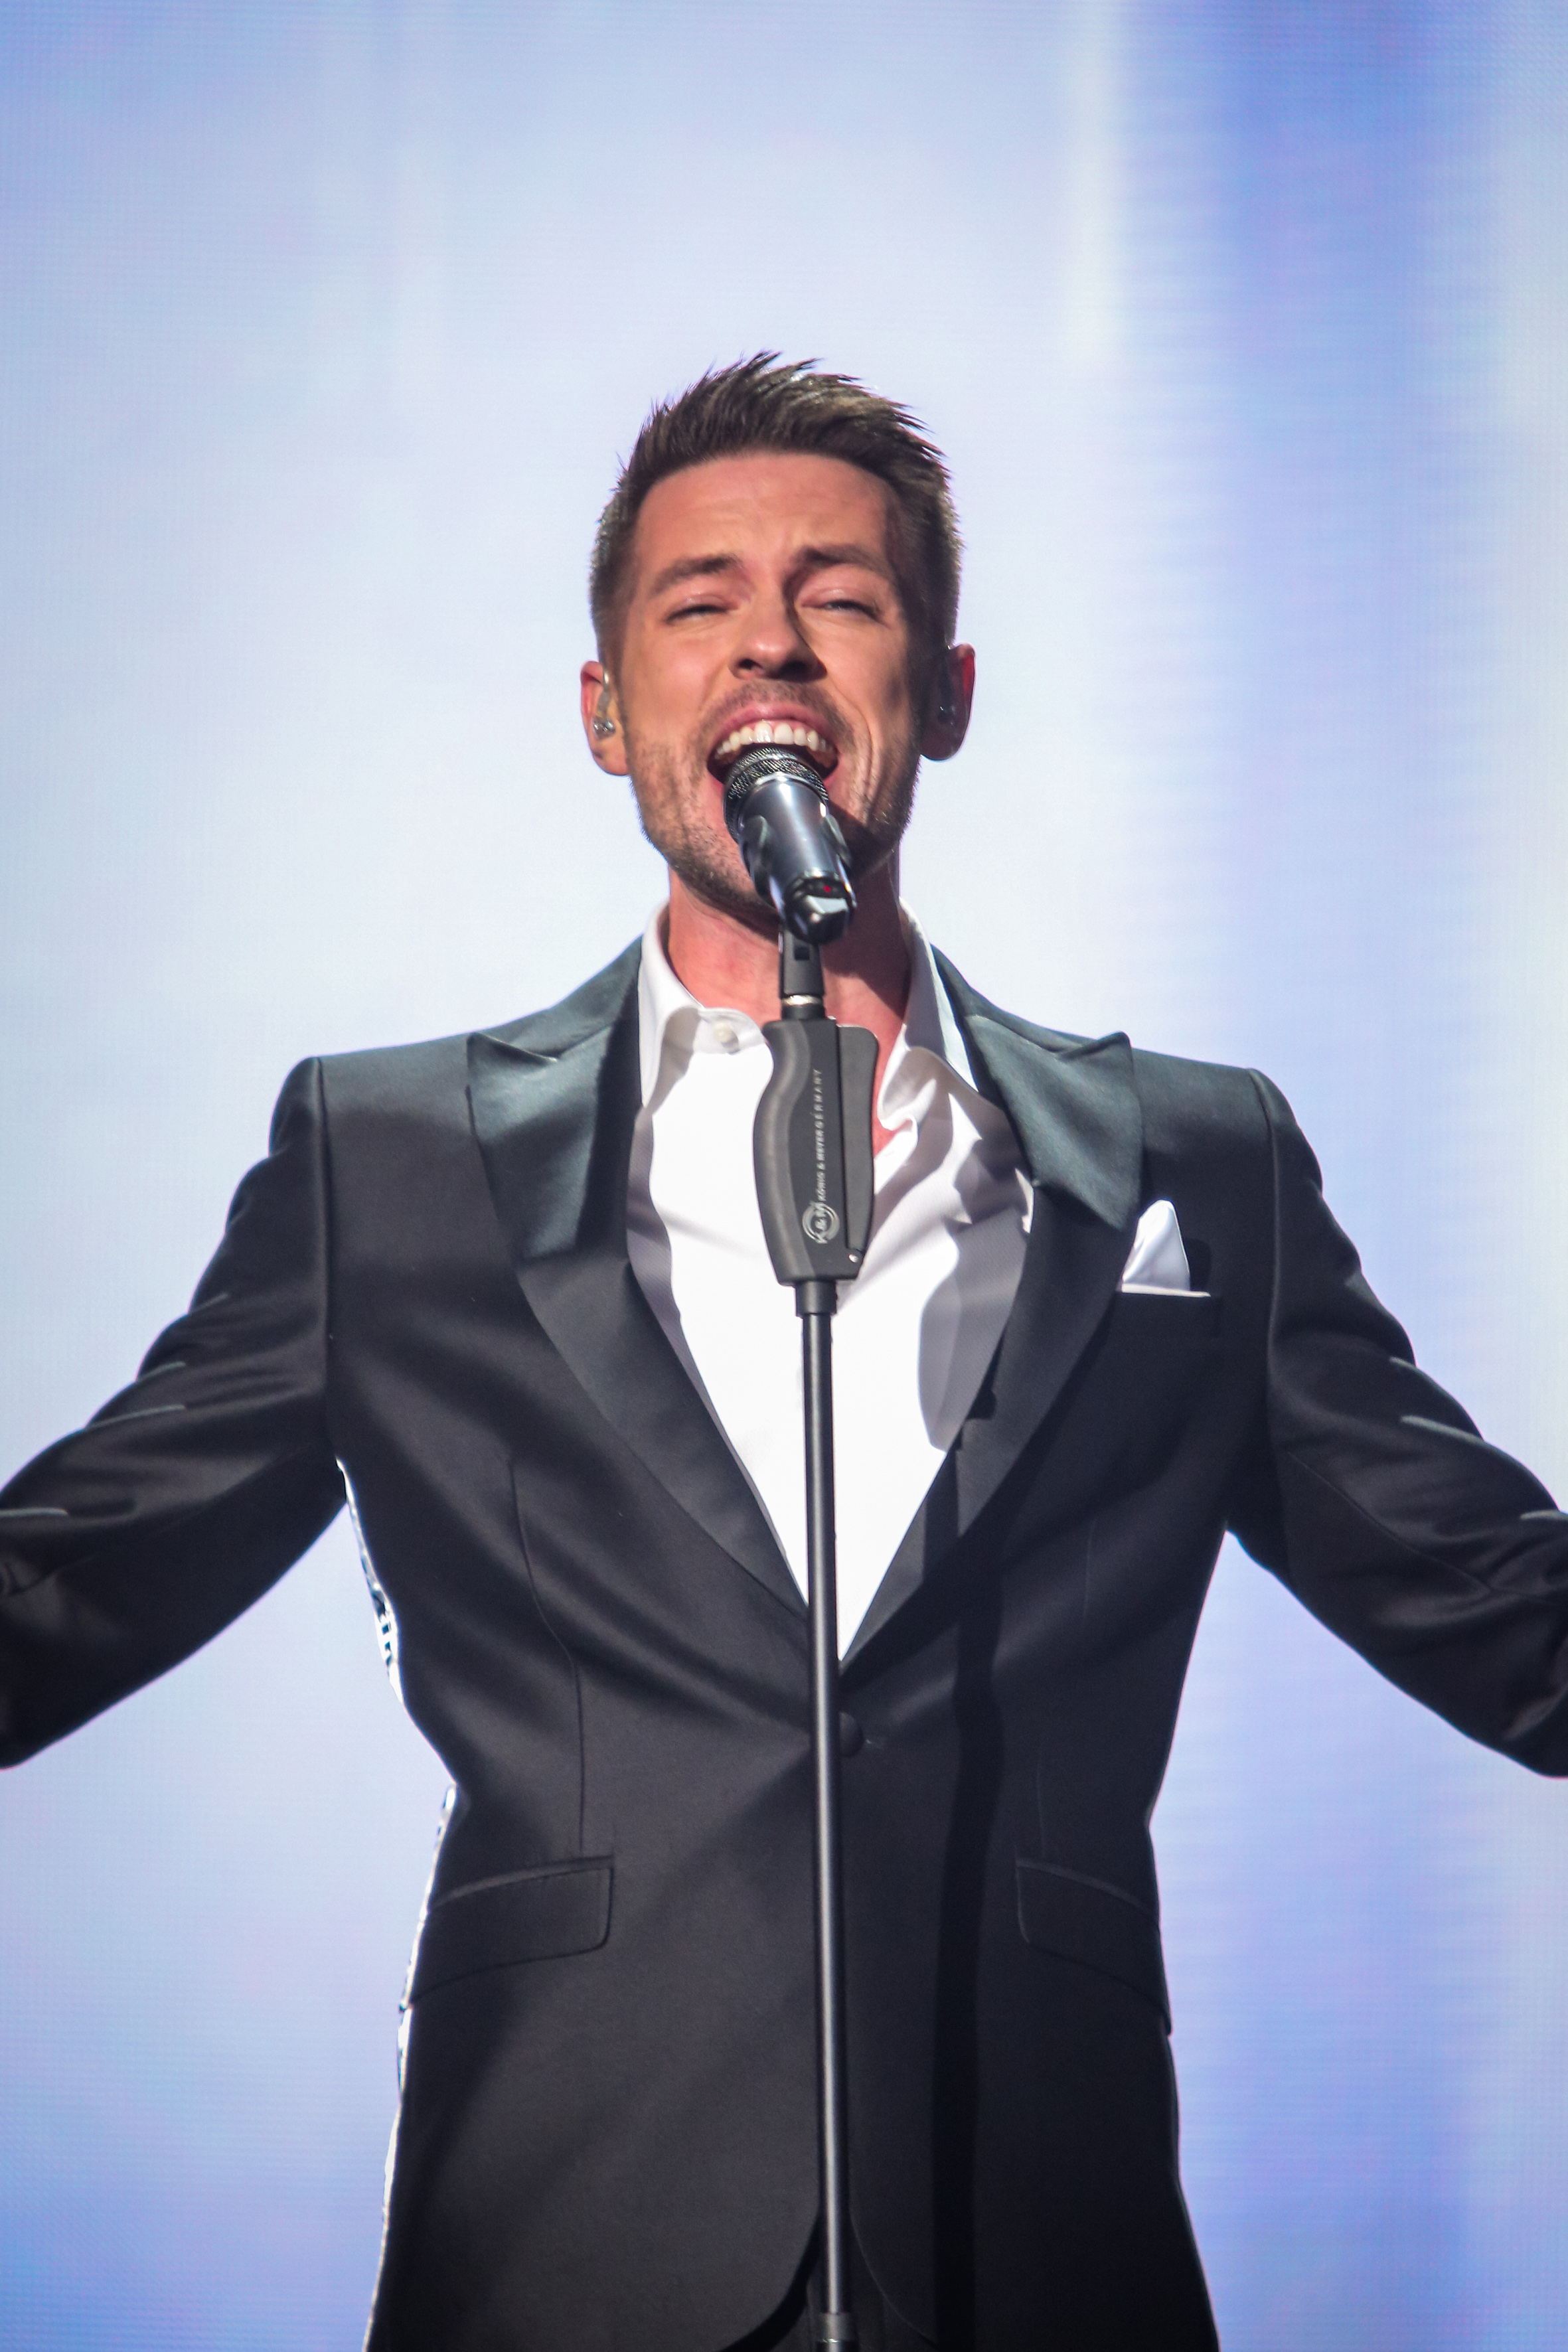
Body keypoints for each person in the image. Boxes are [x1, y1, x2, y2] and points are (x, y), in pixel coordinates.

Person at [3, 355, 1565, 2352]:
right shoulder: (388, 1163)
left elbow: (1503, 1611)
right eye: (699, 602)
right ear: (605, 712)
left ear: (947, 691)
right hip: (570, 2233)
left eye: (839, 596)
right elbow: (71, 1584)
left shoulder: (1194, 1164)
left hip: (1038, 2235)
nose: (768, 641)